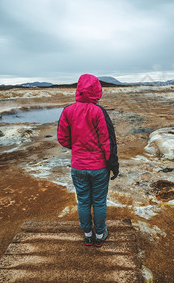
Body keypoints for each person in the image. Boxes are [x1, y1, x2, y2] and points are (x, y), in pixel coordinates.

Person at [57, 74, 119, 247]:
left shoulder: (68, 110)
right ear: (97, 90)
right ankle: (100, 234)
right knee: (99, 201)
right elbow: (108, 142)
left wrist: (77, 147)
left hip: (78, 166)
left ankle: (88, 234)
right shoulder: (98, 111)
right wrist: (113, 165)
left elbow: (62, 138)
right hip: (99, 167)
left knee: (83, 200)